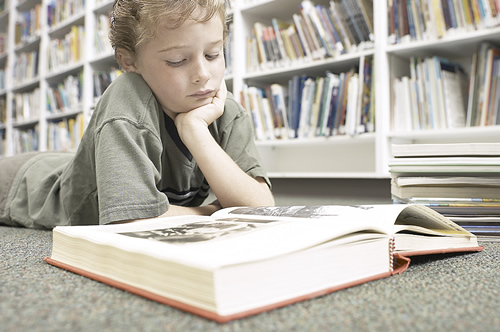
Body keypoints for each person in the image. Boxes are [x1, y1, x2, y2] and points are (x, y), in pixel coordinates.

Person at [0, 0, 274, 229]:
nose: (203, 75)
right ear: (129, 61)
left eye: (213, 54)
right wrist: (215, 211)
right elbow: (133, 222)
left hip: (69, 166)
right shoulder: (127, 96)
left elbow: (261, 208)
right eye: (177, 61)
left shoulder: (225, 110)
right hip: (22, 184)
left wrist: (195, 130)